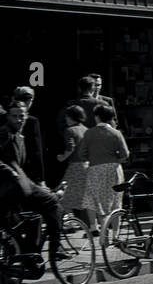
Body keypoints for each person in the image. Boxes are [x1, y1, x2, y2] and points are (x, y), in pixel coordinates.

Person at [0, 100, 67, 262]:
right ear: (8, 116)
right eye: (14, 116)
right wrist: (12, 173)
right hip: (11, 187)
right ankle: (55, 249)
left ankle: (28, 254)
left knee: (33, 217)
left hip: (18, 187)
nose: (18, 119)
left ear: (26, 116)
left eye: (21, 116)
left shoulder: (18, 135)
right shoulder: (4, 133)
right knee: (53, 205)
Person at [77, 102, 129, 229]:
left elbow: (81, 154)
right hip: (114, 169)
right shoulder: (116, 133)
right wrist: (116, 158)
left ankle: (97, 229)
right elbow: (125, 154)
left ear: (97, 117)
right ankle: (115, 235)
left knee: (94, 199)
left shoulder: (89, 133)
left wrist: (92, 158)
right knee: (115, 201)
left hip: (95, 168)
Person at [9, 86, 44, 185]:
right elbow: (36, 151)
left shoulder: (5, 117)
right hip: (26, 170)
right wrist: (40, 178)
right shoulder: (32, 121)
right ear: (29, 101)